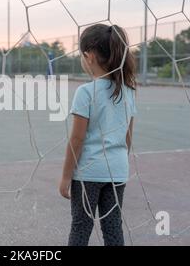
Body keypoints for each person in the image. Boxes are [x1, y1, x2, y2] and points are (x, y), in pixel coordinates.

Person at [59, 24, 137, 246]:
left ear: (90, 56)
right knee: (113, 227)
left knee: (81, 228)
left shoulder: (85, 92)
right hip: (117, 172)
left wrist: (66, 177)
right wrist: (117, 159)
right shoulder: (129, 91)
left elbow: (77, 139)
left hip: (87, 175)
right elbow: (127, 137)